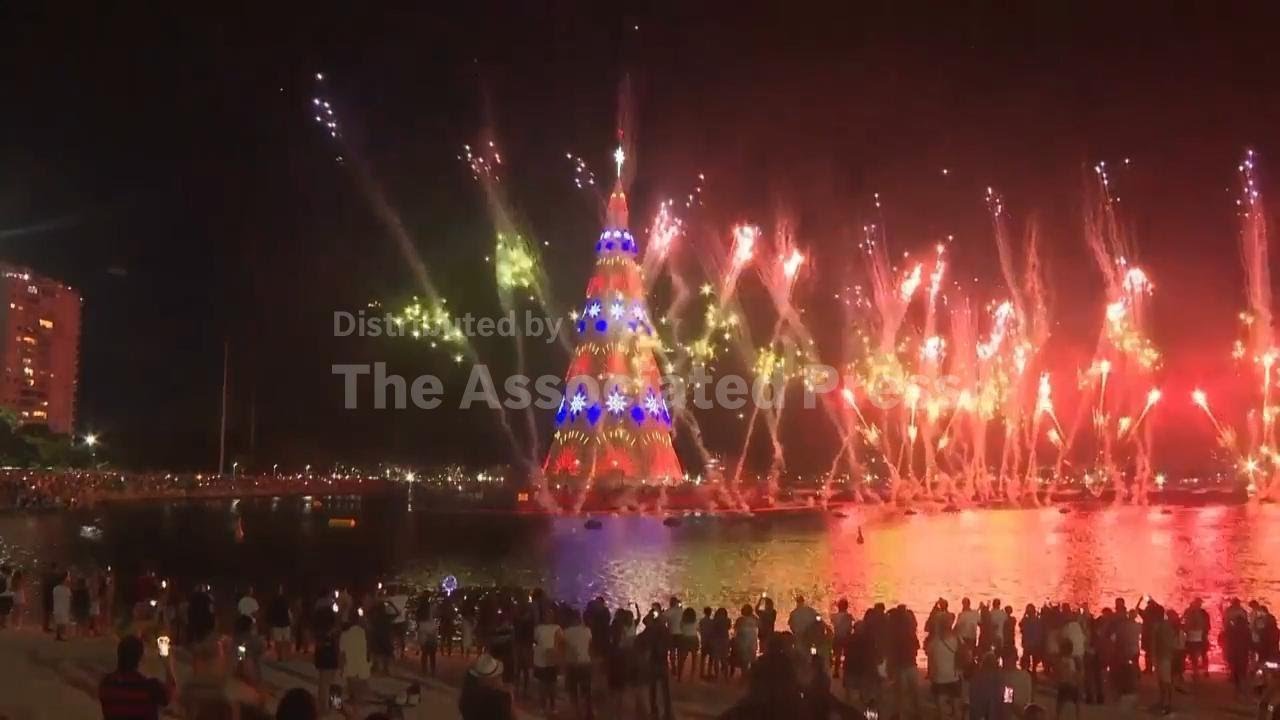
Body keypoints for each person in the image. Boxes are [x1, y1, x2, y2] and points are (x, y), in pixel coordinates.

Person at [99, 635, 176, 720]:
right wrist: (168, 665)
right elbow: (170, 693)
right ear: (140, 659)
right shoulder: (149, 687)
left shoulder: (107, 684)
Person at [459, 653, 515, 720]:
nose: (501, 679)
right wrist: (510, 698)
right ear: (493, 680)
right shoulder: (501, 698)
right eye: (499, 675)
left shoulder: (468, 696)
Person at [532, 606, 564, 715]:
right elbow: (536, 640)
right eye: (546, 615)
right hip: (540, 660)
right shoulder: (538, 628)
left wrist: (557, 655)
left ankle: (552, 706)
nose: (548, 617)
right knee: (542, 685)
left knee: (552, 685)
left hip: (552, 659)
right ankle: (542, 706)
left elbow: (561, 642)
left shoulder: (557, 627)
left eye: (550, 615)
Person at [563, 608, 594, 720]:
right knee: (586, 691)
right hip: (585, 662)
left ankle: (577, 714)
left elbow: (564, 648)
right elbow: (590, 647)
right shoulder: (587, 630)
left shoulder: (566, 632)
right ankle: (588, 712)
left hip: (572, 664)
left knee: (573, 691)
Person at [925, 624, 961, 719]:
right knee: (956, 705)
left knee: (941, 707)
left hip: (939, 676)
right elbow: (964, 652)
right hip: (954, 675)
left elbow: (928, 654)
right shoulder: (956, 640)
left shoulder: (934, 643)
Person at [339, 617, 371, 705]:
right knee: (358, 686)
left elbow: (342, 654)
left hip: (350, 664)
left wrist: (341, 667)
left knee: (348, 685)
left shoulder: (344, 635)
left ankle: (341, 704)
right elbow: (367, 647)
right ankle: (357, 701)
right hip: (361, 663)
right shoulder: (361, 632)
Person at [313, 612, 341, 711]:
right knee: (332, 683)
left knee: (323, 683)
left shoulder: (320, 632)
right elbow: (337, 647)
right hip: (331, 659)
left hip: (322, 659)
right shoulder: (334, 632)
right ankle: (333, 705)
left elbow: (318, 646)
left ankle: (324, 705)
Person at [1054, 638, 1081, 720]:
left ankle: (1058, 716)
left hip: (1066, 683)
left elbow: (1058, 671)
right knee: (1075, 702)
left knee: (1061, 702)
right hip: (1070, 683)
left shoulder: (1061, 660)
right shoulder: (1074, 659)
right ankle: (1077, 717)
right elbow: (1077, 673)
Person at [1184, 598, 1210, 680]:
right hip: (1199, 636)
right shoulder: (1203, 613)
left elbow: (1186, 623)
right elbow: (1208, 626)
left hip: (1194, 637)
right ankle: (1202, 671)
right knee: (1201, 654)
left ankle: (1198, 672)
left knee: (1196, 655)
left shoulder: (1191, 612)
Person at [266, 585, 292, 661]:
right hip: (285, 622)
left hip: (277, 623)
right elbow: (288, 611)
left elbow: (270, 613)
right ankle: (287, 656)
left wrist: (270, 622)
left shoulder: (272, 601)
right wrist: (291, 620)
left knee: (278, 641)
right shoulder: (285, 600)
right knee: (286, 640)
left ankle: (280, 656)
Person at [734, 604, 761, 677]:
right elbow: (760, 625)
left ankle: (745, 676)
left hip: (744, 642)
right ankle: (750, 676)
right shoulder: (754, 619)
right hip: (751, 641)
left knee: (745, 661)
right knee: (750, 659)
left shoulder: (740, 620)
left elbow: (736, 630)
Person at [831, 599, 853, 679]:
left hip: (837, 637)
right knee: (847, 655)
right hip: (846, 637)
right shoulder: (849, 617)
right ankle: (847, 672)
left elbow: (833, 624)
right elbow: (849, 628)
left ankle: (836, 671)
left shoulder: (834, 616)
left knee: (838, 655)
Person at [417, 604, 440, 676]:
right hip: (429, 639)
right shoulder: (429, 621)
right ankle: (429, 670)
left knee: (427, 655)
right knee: (430, 655)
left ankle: (426, 670)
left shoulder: (424, 621)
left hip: (428, 639)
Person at [52, 570, 72, 640]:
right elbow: (69, 599)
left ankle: (59, 635)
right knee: (62, 622)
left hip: (58, 607)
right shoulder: (66, 589)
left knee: (59, 622)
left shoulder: (56, 589)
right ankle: (61, 635)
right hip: (62, 607)